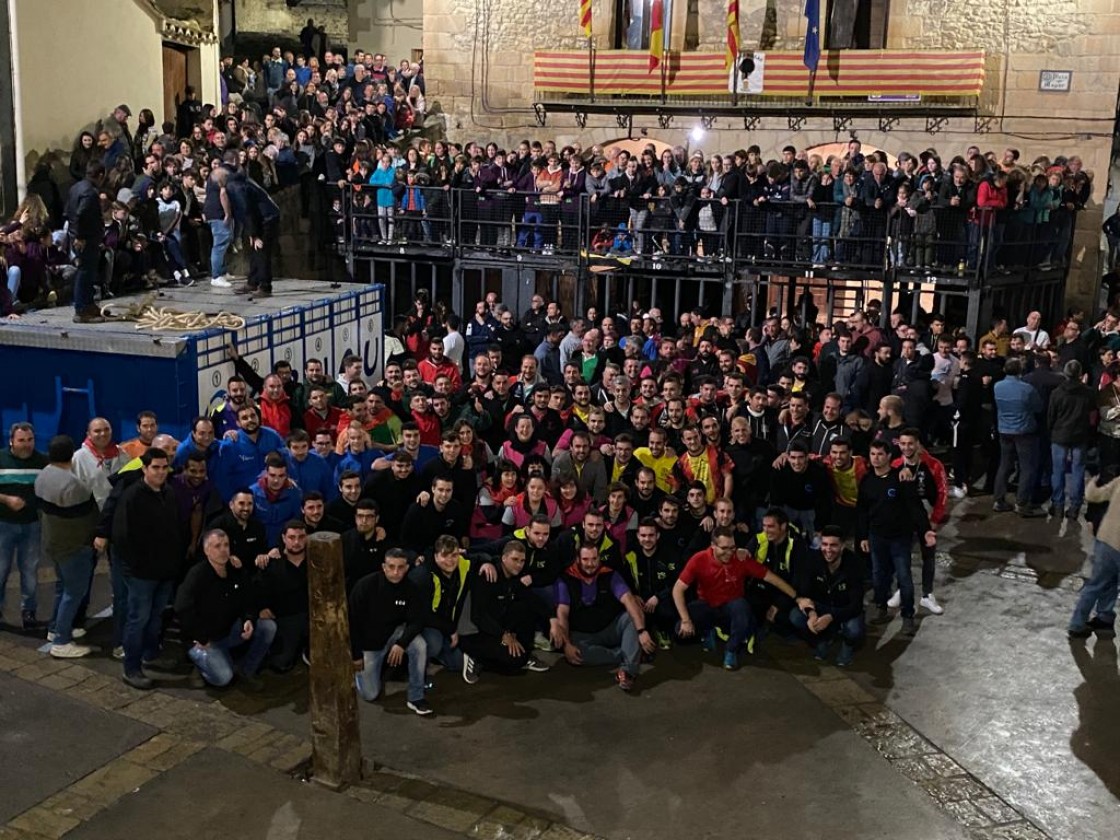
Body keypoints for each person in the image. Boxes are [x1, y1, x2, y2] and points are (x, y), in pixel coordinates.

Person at [673, 526, 806, 670]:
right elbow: (677, 589)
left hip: (731, 608)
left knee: (741, 606)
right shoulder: (699, 559)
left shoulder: (740, 558)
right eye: (724, 548)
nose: (729, 552)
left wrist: (797, 597)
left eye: (732, 548)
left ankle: (731, 650)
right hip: (707, 605)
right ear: (713, 545)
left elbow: (771, 578)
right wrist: (686, 621)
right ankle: (707, 631)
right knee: (679, 630)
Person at [113, 448, 184, 689]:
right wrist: (135, 567)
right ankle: (131, 668)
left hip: (165, 571)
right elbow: (122, 537)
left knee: (155, 618)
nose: (161, 472)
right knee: (138, 619)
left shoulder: (169, 493)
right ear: (144, 469)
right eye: (156, 467)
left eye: (165, 467)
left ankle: (150, 655)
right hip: (142, 574)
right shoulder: (132, 497)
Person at [175, 529, 277, 689]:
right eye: (217, 546)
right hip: (204, 640)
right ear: (207, 550)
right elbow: (182, 607)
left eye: (226, 545)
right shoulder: (197, 575)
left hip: (228, 631)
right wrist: (201, 637)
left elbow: (248, 598)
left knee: (268, 627)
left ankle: (246, 670)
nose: (223, 550)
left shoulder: (235, 570)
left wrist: (248, 619)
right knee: (223, 678)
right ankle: (200, 665)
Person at [859, 440, 936, 636]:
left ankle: (908, 617)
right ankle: (881, 608)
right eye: (873, 454)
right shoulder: (867, 481)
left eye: (880, 454)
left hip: (899, 539)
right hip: (876, 537)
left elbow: (915, 507)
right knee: (879, 576)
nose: (876, 458)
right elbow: (862, 512)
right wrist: (862, 536)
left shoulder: (901, 479)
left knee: (904, 577)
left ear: (889, 457)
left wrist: (925, 530)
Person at [553, 544, 656, 691]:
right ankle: (629, 652)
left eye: (594, 559)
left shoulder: (609, 574)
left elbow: (628, 599)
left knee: (630, 617)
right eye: (586, 559)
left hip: (610, 628)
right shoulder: (565, 579)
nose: (590, 564)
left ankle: (628, 671)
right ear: (578, 560)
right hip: (582, 635)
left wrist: (642, 631)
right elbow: (562, 613)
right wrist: (566, 645)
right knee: (577, 656)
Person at [34, 435, 98, 658]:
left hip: (53, 543)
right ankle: (61, 641)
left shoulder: (43, 476)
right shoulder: (74, 485)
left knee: (63, 588)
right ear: (71, 454)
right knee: (74, 592)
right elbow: (90, 517)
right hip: (74, 546)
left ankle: (55, 628)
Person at [349, 547, 433, 716]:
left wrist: (402, 644)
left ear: (407, 568)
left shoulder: (412, 589)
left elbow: (417, 621)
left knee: (420, 646)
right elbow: (352, 622)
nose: (396, 572)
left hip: (395, 632)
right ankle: (360, 675)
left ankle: (416, 697)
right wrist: (356, 655)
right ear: (384, 566)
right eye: (391, 566)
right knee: (370, 694)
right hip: (369, 642)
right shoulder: (365, 586)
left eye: (401, 567)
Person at [460, 539, 553, 682]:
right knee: (515, 662)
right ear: (504, 558)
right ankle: (475, 656)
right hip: (476, 631)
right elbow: (478, 616)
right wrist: (503, 635)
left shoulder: (515, 576)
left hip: (496, 623)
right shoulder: (488, 574)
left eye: (522, 561)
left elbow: (530, 598)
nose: (519, 564)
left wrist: (553, 618)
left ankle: (523, 654)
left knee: (525, 609)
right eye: (515, 559)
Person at [789, 525, 865, 666]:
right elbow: (803, 593)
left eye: (833, 545)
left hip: (845, 609)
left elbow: (856, 605)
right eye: (824, 544)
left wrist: (832, 617)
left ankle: (847, 646)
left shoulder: (855, 564)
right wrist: (811, 613)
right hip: (820, 607)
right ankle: (822, 640)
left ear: (842, 546)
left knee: (854, 629)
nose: (828, 550)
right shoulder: (812, 560)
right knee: (796, 616)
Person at [0, 422, 48, 630]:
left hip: (32, 525)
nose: (26, 445)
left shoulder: (42, 461)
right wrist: (6, 500)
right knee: (1, 570)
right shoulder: (1, 459)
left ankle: (29, 612)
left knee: (30, 570)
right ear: (11, 441)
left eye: (30, 440)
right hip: (4, 525)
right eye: (21, 441)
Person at [1069, 473, 1120, 639]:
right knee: (1104, 582)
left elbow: (1093, 495)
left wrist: (1092, 482)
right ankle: (1087, 621)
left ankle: (1100, 617)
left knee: (1103, 582)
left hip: (1105, 540)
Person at [992, 358, 1045, 517]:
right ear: (1020, 370)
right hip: (1024, 431)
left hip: (1004, 430)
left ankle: (999, 500)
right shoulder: (1027, 389)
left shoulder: (998, 386)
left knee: (1004, 465)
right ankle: (1021, 503)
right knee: (1027, 467)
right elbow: (1038, 407)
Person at [258, 520, 310, 672]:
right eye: (292, 537)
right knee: (280, 664)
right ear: (283, 538)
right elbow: (259, 590)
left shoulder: (315, 562)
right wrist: (262, 607)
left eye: (301, 537)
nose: (296, 542)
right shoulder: (272, 563)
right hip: (284, 619)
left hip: (312, 618)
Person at [66, 160, 108, 323]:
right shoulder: (89, 192)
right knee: (85, 272)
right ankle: (81, 309)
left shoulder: (75, 187)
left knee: (89, 273)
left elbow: (68, 211)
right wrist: (80, 236)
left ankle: (89, 304)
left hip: (78, 235)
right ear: (100, 175)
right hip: (86, 238)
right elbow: (80, 214)